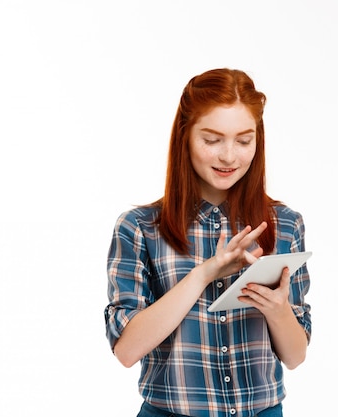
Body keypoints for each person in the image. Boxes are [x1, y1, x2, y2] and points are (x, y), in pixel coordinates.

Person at [104, 68, 311, 417]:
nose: (229, 156)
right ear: (184, 136)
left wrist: (276, 309)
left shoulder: (286, 224)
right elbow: (126, 351)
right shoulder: (140, 228)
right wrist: (204, 274)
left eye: (244, 141)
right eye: (212, 140)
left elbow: (295, 356)